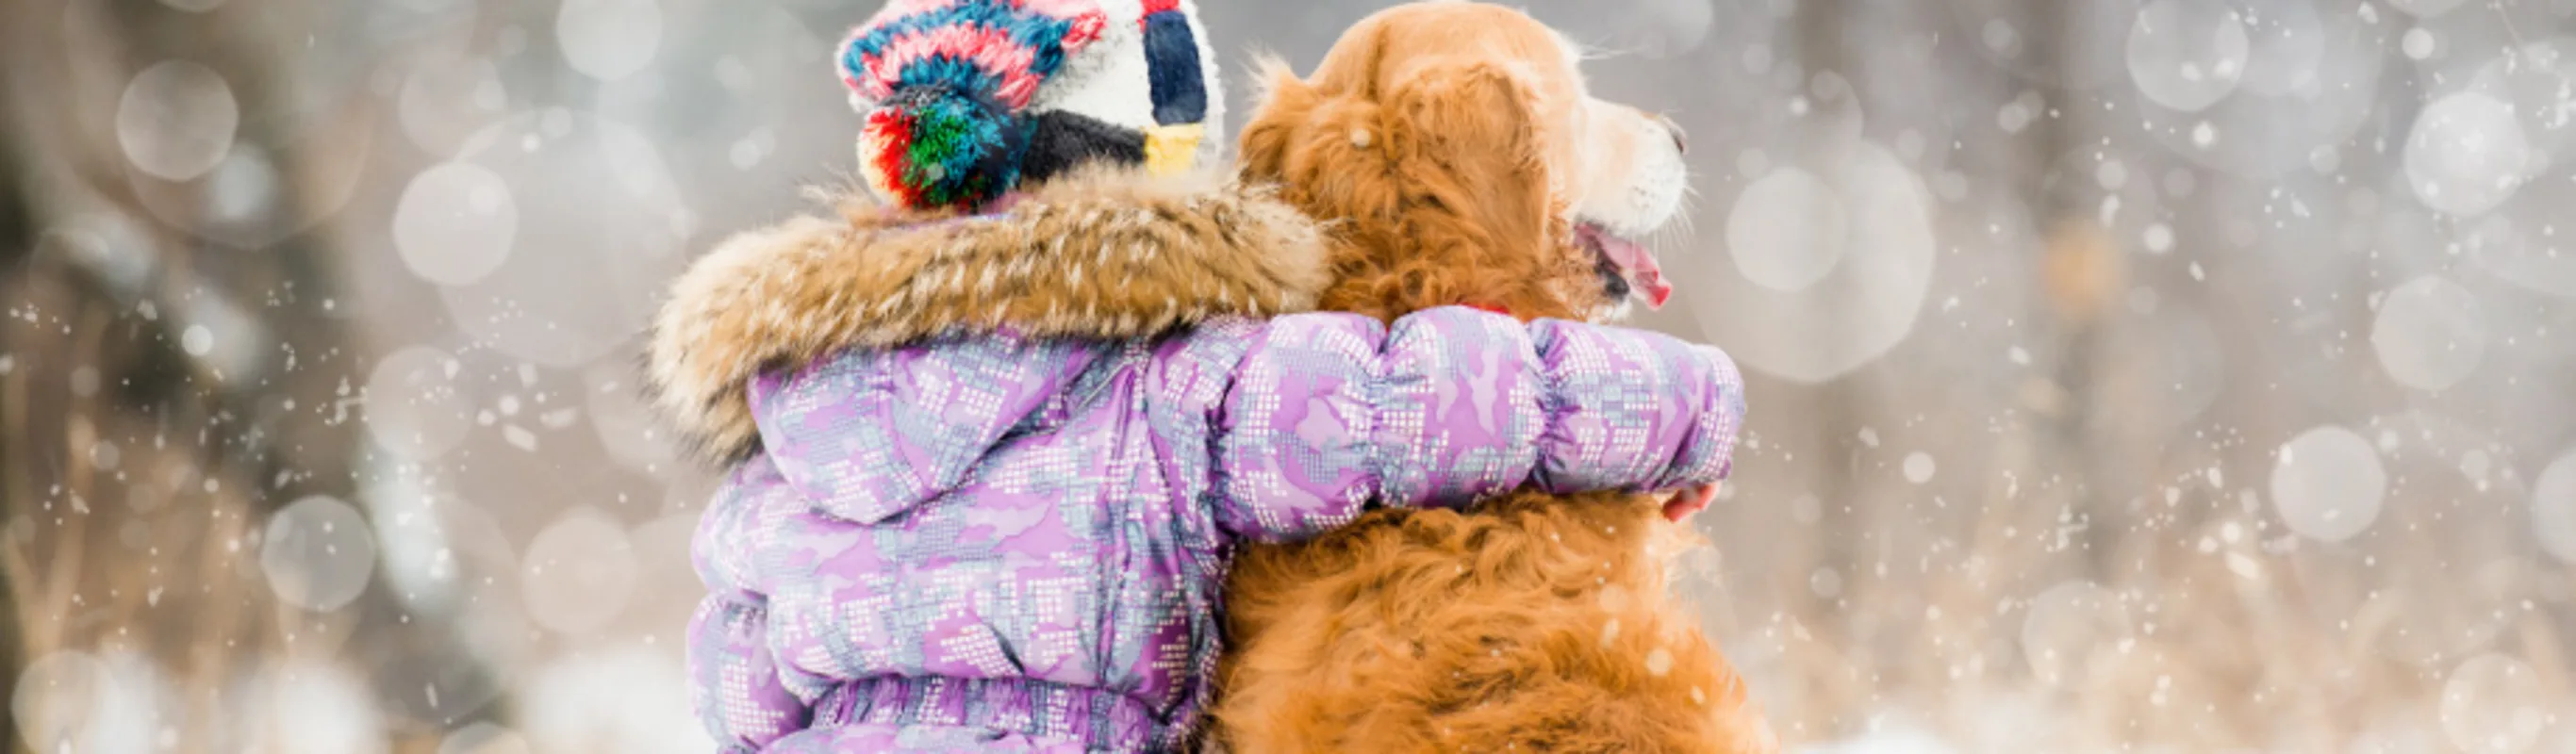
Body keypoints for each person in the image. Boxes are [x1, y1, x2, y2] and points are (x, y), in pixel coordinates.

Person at [650, 1, 1748, 750]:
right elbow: (1418, 398)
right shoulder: (1176, 385)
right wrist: (1682, 409)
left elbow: (738, 679)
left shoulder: (793, 423)